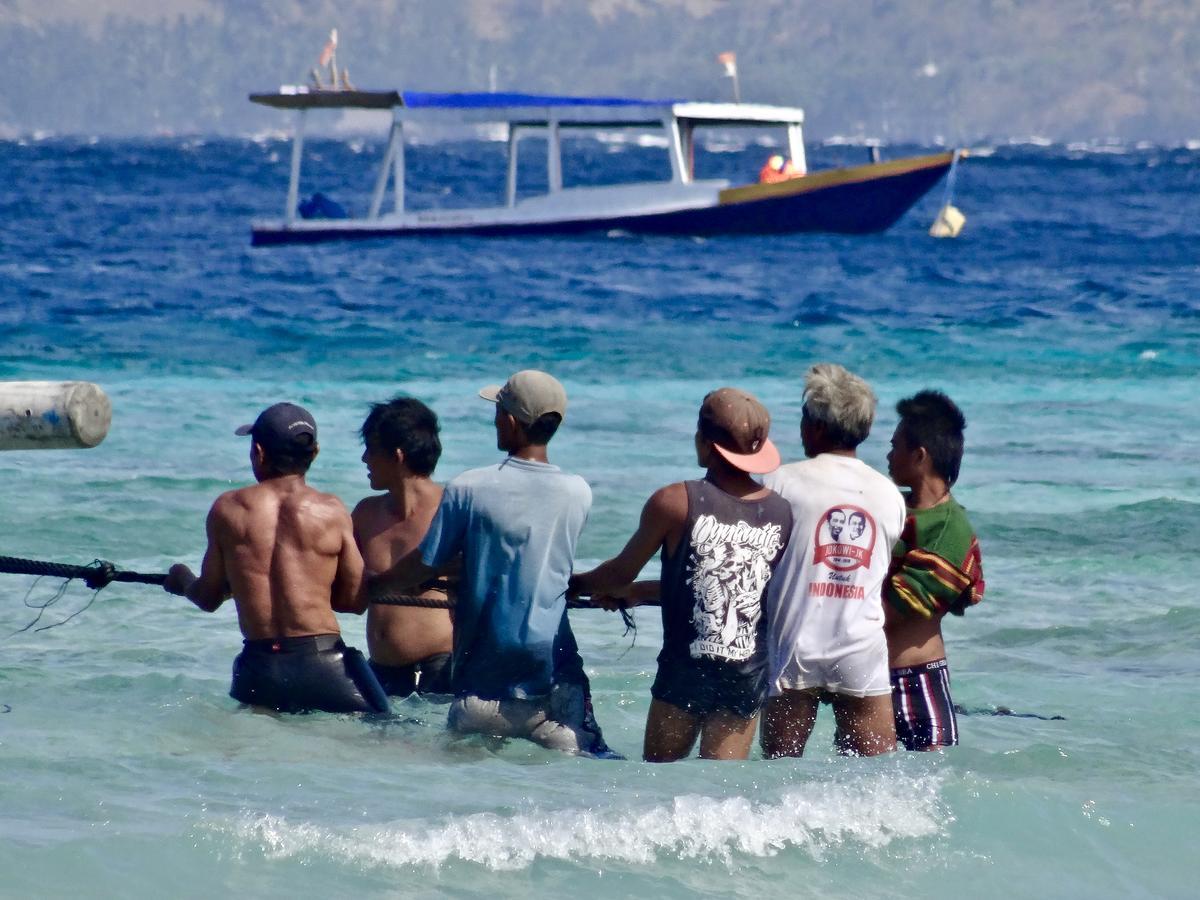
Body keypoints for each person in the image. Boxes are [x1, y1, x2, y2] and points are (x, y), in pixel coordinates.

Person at [368, 370, 611, 756]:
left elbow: (425, 564)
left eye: (498, 413)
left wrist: (376, 586)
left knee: (463, 793)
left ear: (511, 422)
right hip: (557, 689)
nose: (495, 420)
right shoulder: (578, 491)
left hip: (482, 690)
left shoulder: (470, 487)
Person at [570, 388, 792, 762]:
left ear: (704, 444)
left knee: (658, 782)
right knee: (720, 791)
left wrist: (568, 585)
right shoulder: (782, 512)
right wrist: (639, 593)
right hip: (746, 674)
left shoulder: (674, 501)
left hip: (685, 670)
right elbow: (733, 587)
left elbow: (617, 573)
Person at [164, 402, 388, 715]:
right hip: (323, 665)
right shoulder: (332, 510)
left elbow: (208, 597)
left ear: (258, 452)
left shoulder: (228, 509)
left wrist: (182, 579)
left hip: (260, 670)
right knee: (392, 730)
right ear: (315, 453)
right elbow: (352, 602)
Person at [759, 364, 905, 757]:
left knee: (777, 776)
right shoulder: (889, 494)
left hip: (795, 645)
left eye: (805, 417)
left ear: (817, 427)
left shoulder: (780, 483)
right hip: (860, 647)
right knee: (873, 780)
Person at [884, 390, 985, 750]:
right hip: (876, 680)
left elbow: (897, 609)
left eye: (895, 446)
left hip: (917, 681)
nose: (888, 454)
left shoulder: (950, 527)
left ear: (920, 456)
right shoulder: (894, 509)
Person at [352, 396, 453, 697]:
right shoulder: (366, 513)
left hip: (439, 671)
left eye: (370, 449)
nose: (364, 459)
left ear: (397, 455)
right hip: (380, 671)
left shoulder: (452, 509)